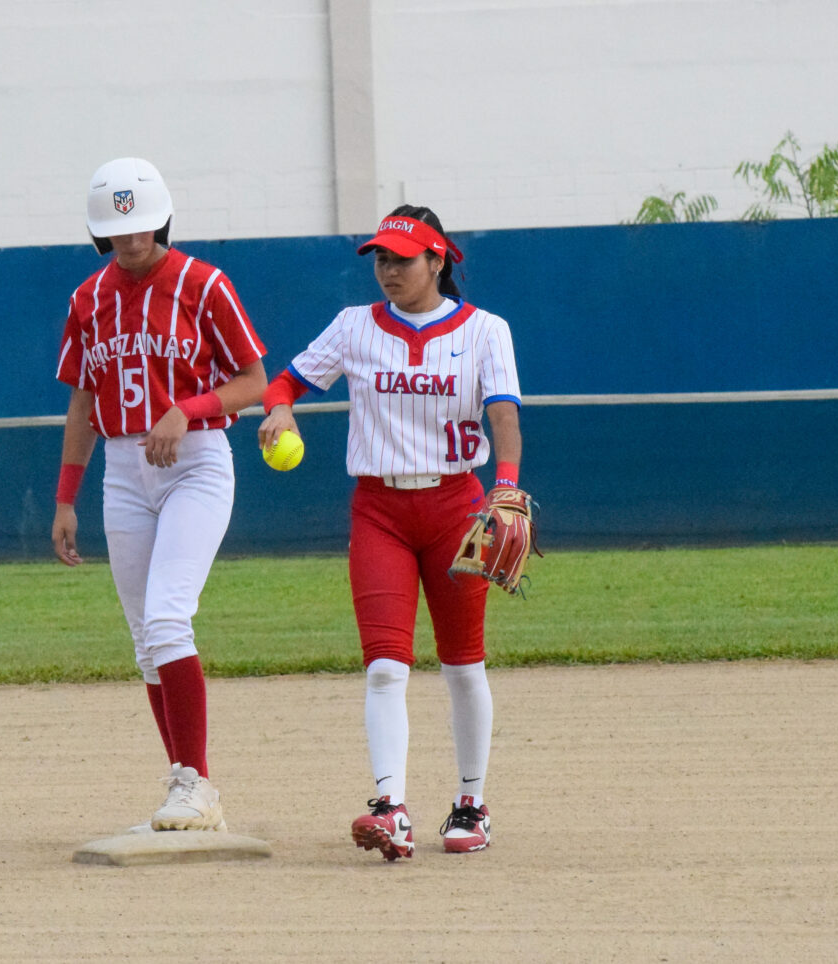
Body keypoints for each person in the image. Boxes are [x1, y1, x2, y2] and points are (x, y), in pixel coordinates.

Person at [257, 205, 523, 858]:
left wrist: (508, 487)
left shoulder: (485, 331)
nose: (388, 270)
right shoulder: (354, 328)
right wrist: (280, 413)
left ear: (439, 261)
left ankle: (470, 804)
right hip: (379, 511)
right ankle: (391, 807)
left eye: (402, 259)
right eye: (381, 258)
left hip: (456, 506)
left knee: (462, 665)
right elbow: (285, 382)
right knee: (383, 666)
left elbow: (504, 413)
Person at [51, 157, 268, 833]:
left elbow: (256, 379)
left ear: (163, 220)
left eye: (142, 226)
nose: (132, 240)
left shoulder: (205, 285)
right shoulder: (87, 299)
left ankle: (196, 783)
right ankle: (187, 783)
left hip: (196, 462)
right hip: (122, 468)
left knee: (170, 617)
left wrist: (191, 407)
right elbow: (84, 399)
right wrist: (66, 498)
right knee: (146, 638)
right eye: (117, 231)